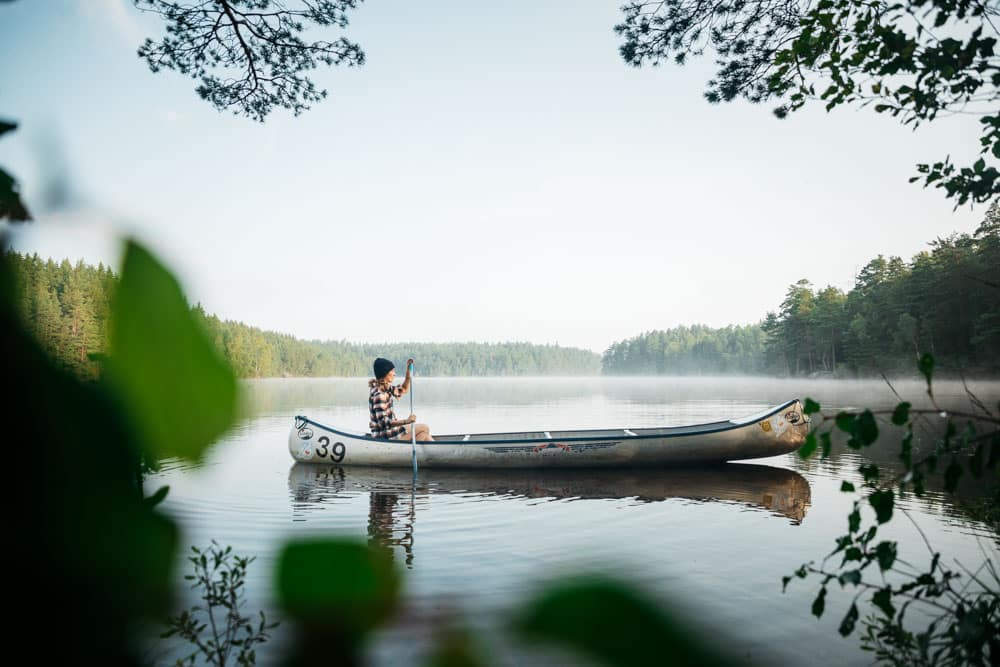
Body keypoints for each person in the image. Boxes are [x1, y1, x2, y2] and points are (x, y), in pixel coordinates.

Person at [369, 357, 434, 441]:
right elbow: (384, 423)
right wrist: (406, 421)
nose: (394, 374)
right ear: (385, 373)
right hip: (385, 435)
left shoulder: (385, 387)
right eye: (392, 371)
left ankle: (428, 450)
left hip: (391, 431)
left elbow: (404, 389)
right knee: (424, 429)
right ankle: (427, 450)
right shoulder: (379, 395)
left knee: (423, 434)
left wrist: (408, 371)